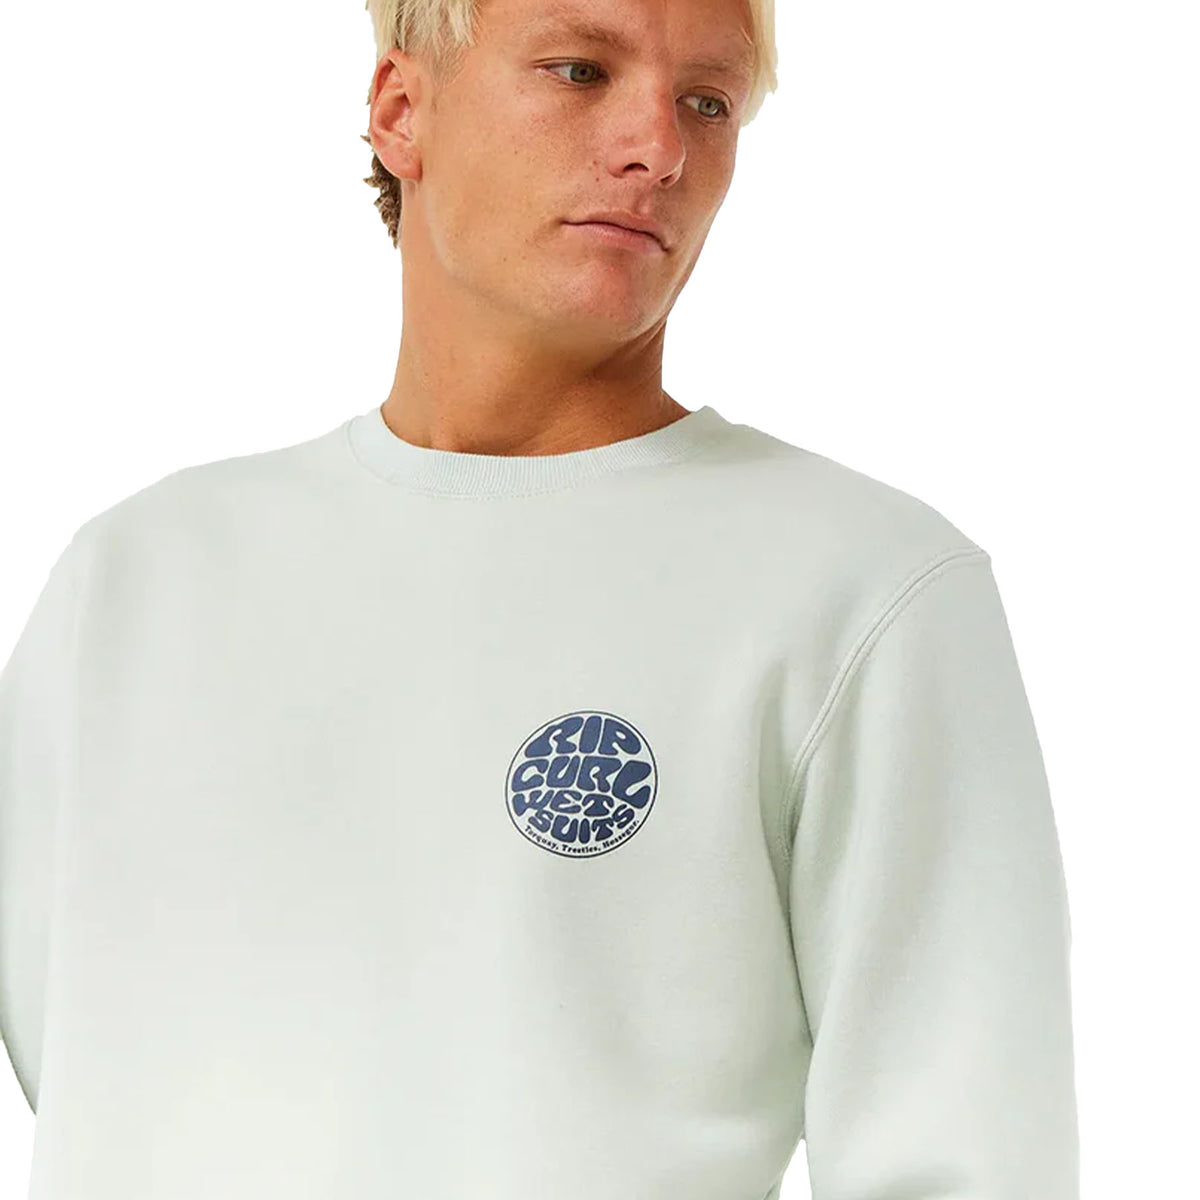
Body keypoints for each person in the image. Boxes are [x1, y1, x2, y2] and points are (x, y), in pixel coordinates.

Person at [0, 0, 1080, 1197]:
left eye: (708, 102)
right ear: (400, 110)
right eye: (579, 71)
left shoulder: (863, 591)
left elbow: (964, 1158)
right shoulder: (138, 584)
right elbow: (103, 1078)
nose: (658, 149)